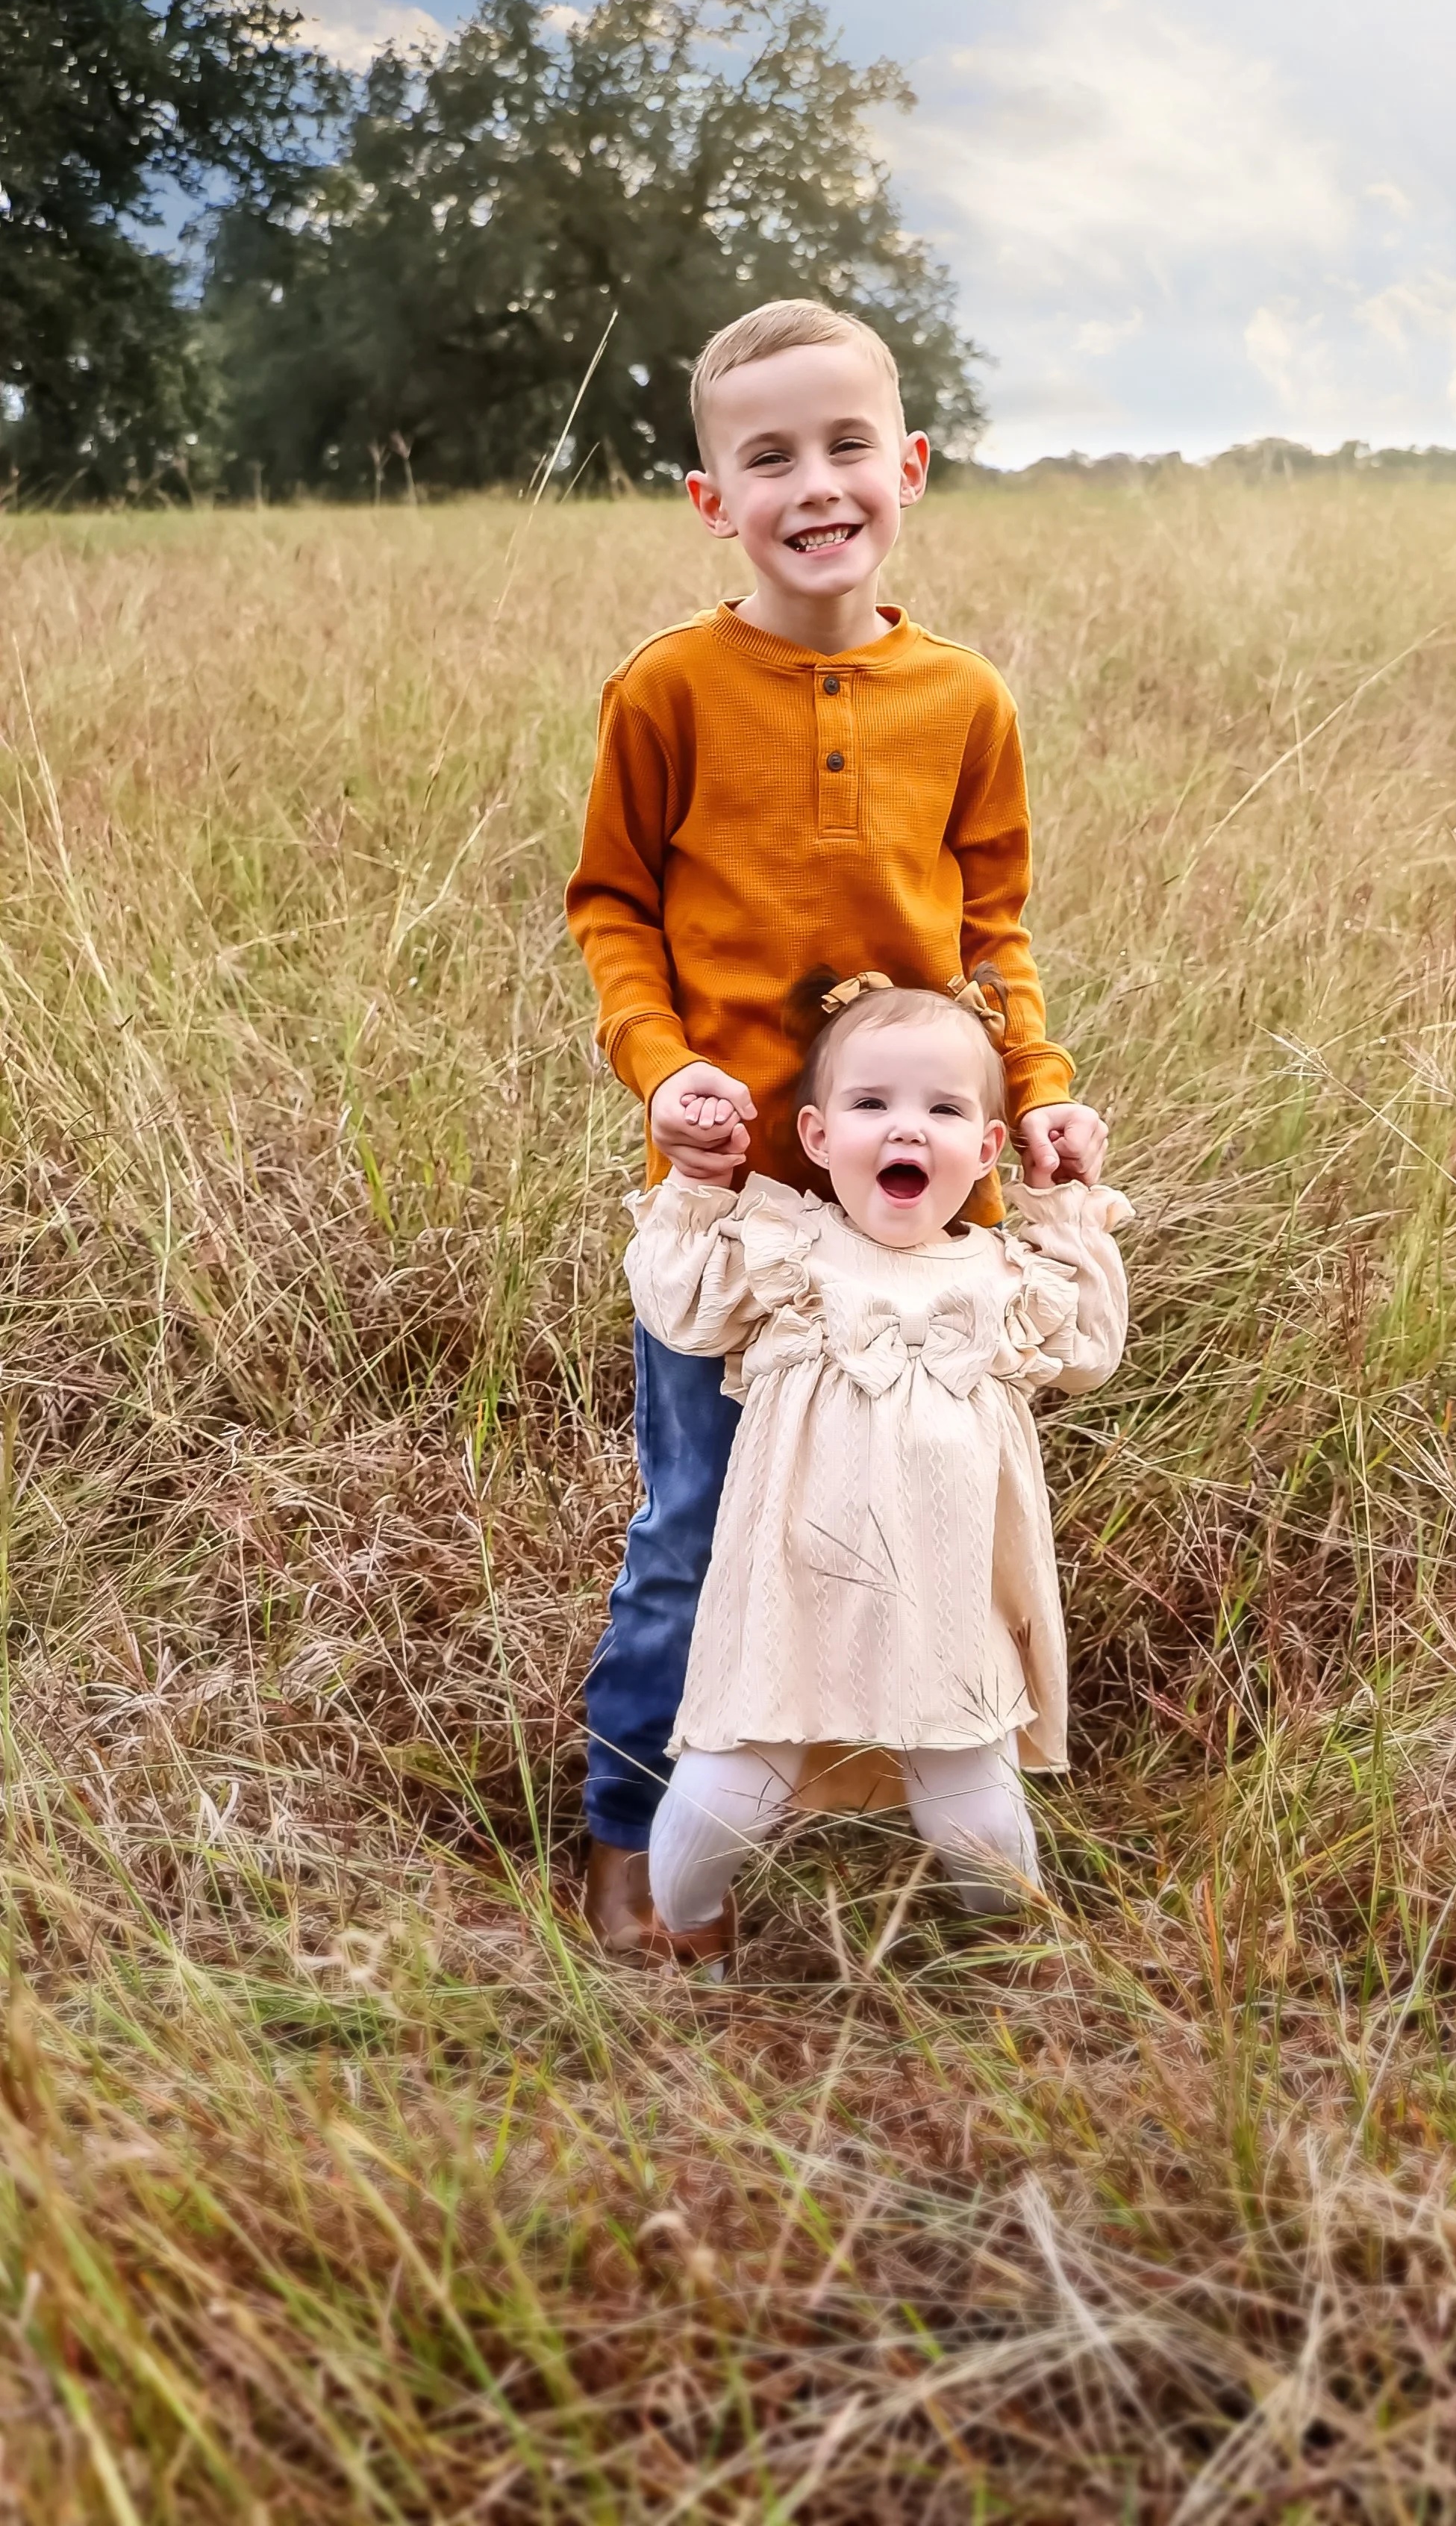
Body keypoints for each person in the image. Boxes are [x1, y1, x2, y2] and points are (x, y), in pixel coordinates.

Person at [565, 296, 1109, 1956]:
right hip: (740, 1216)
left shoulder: (962, 698)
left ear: (911, 465)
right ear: (707, 497)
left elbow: (993, 935)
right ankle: (629, 1824)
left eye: (846, 444)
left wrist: (1036, 1095)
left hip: (922, 1206)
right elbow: (609, 907)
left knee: (913, 1508)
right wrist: (665, 1078)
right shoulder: (666, 689)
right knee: (697, 1520)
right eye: (766, 455)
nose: (815, 483)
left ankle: (906, 1778)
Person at [629, 976, 1131, 1968]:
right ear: (815, 1137)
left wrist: (1063, 1200)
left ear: (987, 1150)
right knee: (720, 1799)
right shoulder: (789, 1253)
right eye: (872, 1105)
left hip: (949, 1619)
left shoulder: (1000, 1278)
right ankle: (686, 1939)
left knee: (976, 1823)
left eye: (943, 1110)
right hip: (789, 1608)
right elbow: (679, 1308)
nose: (907, 1129)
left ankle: (1011, 1964)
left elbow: (1091, 1348)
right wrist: (696, 1187)